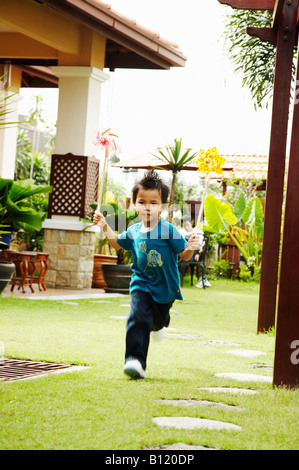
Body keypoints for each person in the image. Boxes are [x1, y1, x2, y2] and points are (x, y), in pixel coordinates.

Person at [93, 170, 199, 379]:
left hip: (165, 287)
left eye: (153, 203)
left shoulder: (168, 230)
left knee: (155, 322)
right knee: (137, 316)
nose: (147, 207)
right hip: (140, 283)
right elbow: (116, 242)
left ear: (163, 206)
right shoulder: (133, 230)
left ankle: (157, 325)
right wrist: (104, 226)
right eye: (142, 201)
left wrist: (192, 247)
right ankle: (135, 360)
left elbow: (184, 255)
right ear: (134, 203)